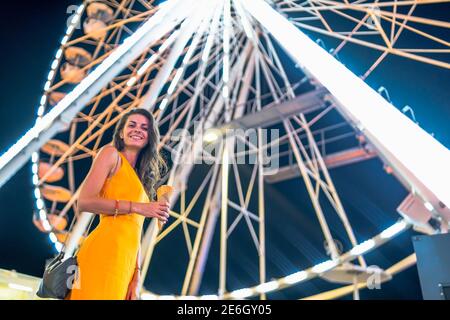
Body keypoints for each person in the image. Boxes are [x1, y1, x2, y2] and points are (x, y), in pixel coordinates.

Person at [67, 108, 170, 300]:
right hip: (103, 252)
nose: (137, 129)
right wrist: (139, 207)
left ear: (150, 137)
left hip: (125, 263)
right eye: (131, 125)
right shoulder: (111, 155)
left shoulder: (141, 178)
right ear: (121, 133)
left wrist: (136, 275)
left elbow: (135, 229)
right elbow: (85, 201)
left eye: (144, 127)